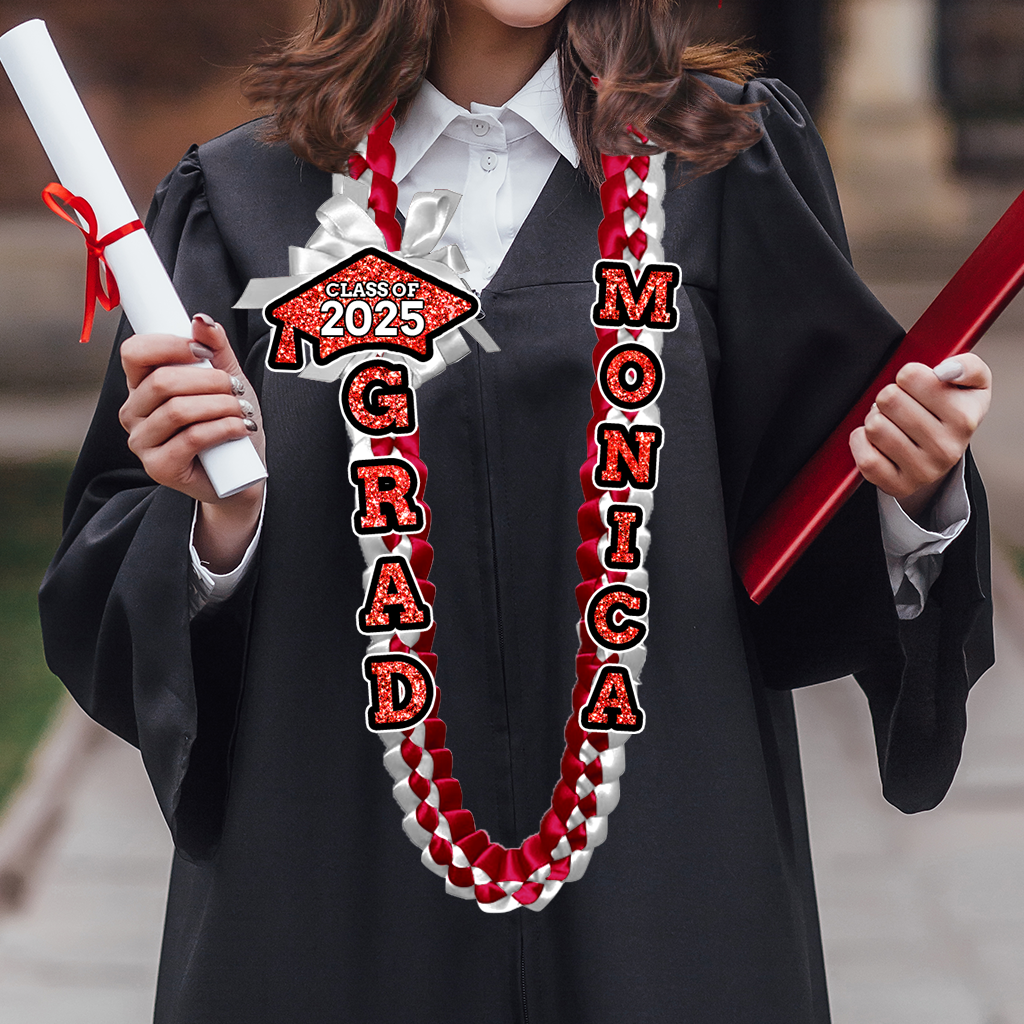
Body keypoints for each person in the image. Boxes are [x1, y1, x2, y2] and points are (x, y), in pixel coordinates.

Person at [39, 1, 994, 1021]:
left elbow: (810, 523)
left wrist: (914, 488)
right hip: (339, 903)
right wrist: (214, 526)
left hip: (663, 907)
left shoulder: (721, 166)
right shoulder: (246, 202)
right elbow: (113, 585)